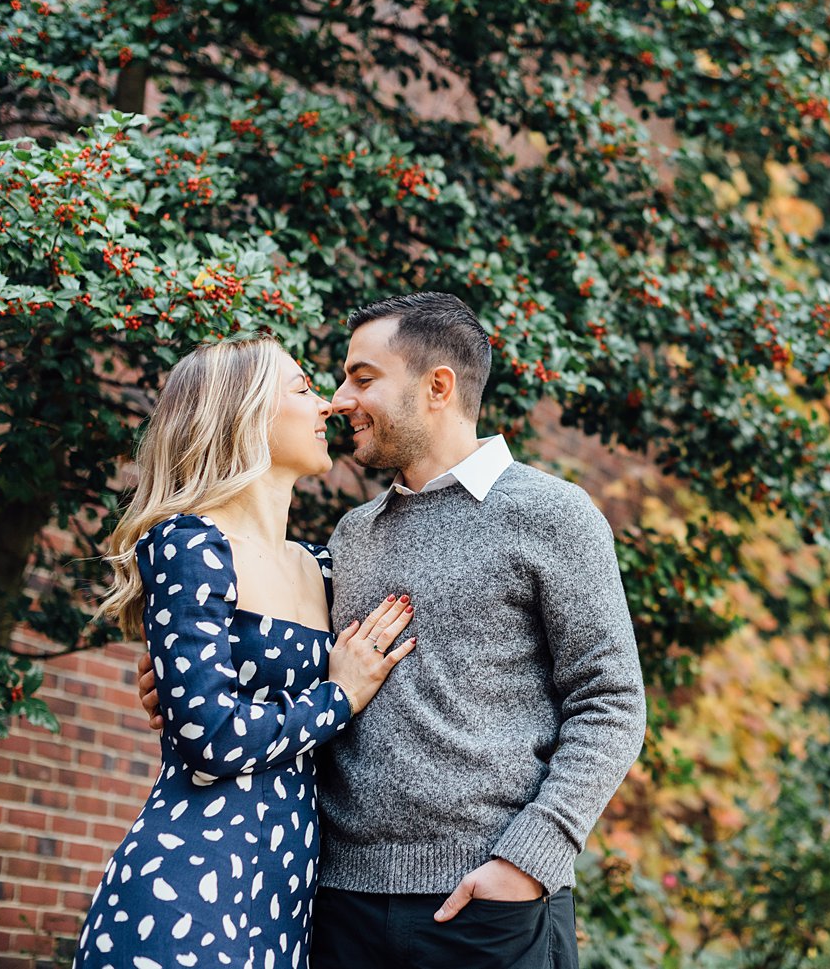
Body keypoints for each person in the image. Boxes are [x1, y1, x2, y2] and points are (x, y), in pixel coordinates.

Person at [139, 292, 648, 968]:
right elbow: (280, 665)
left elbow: (611, 703)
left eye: (362, 376)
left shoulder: (553, 514)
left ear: (437, 386)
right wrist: (184, 683)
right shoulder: (348, 540)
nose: (340, 398)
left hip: (488, 905)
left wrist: (528, 862)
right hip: (338, 906)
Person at [79, 335, 415, 969]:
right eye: (303, 389)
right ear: (246, 413)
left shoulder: (323, 567)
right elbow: (211, 739)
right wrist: (337, 696)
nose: (328, 407)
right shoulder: (189, 545)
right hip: (187, 889)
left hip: (287, 900)